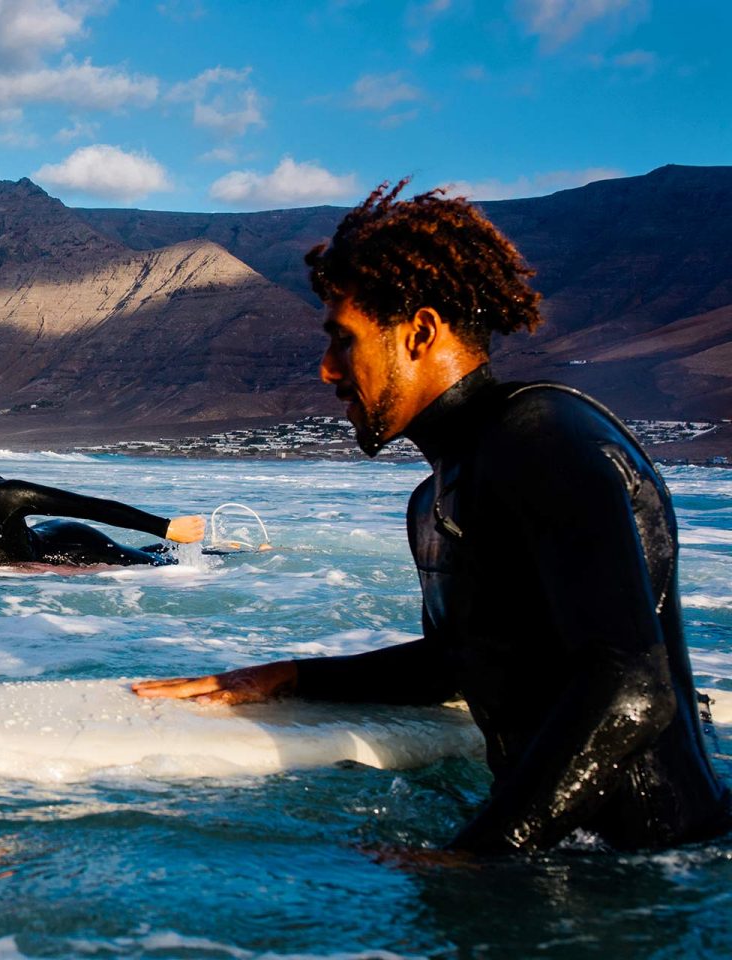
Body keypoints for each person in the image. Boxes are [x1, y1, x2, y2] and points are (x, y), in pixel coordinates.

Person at [134, 180, 732, 855]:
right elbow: (464, 665)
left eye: (343, 340)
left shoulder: (544, 437)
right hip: (568, 857)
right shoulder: (440, 493)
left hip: (659, 867)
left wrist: (470, 863)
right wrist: (289, 677)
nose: (328, 371)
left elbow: (632, 687)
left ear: (419, 332)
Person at [0, 398, 204, 566]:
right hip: (36, 546)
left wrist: (166, 527)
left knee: (160, 565)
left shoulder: (2, 495)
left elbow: (88, 506)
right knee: (149, 555)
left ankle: (224, 550)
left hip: (72, 548)